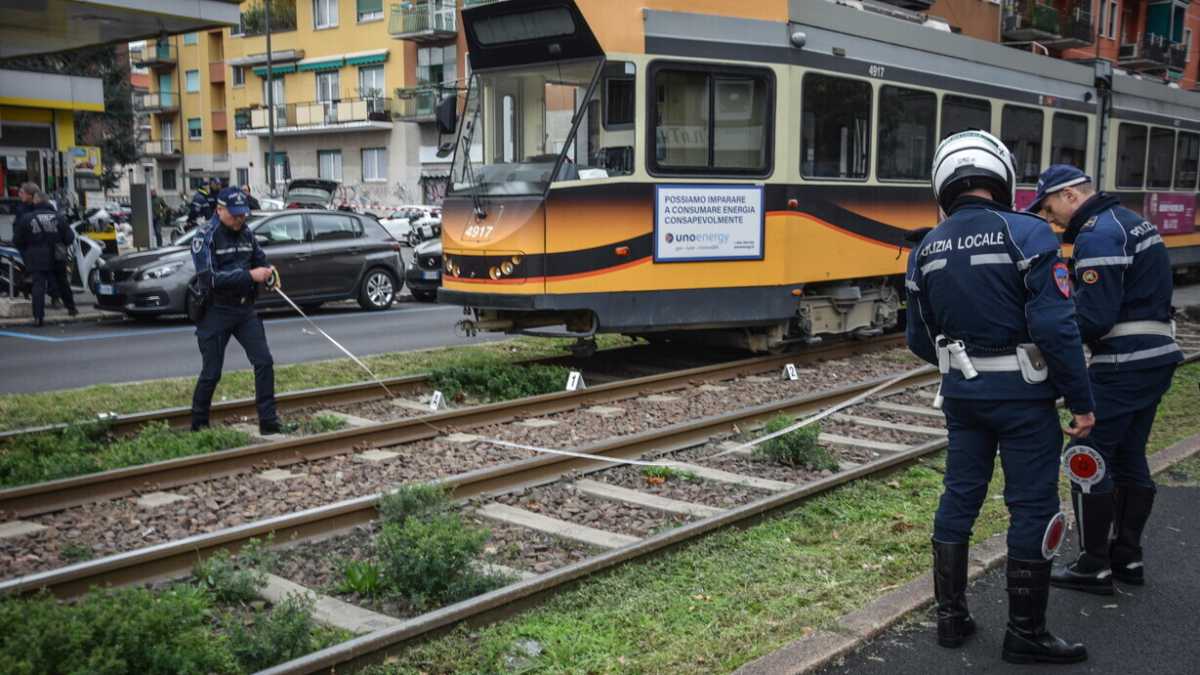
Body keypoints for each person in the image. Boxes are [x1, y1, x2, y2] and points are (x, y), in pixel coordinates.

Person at [907, 131, 1095, 665]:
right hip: (1024, 400)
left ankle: (950, 619)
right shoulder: (1028, 233)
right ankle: (1026, 632)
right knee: (1032, 505)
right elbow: (1057, 328)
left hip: (963, 398)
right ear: (1001, 177)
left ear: (944, 183)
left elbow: (919, 339)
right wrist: (1080, 402)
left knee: (958, 499)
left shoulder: (927, 247)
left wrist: (965, 367)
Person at [1030, 165, 1183, 595]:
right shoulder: (1133, 222)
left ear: (1070, 196)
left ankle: (1092, 564)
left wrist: (1049, 331)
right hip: (1155, 358)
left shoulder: (1096, 235)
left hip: (1122, 364)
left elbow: (1095, 317)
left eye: (1050, 207)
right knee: (1129, 455)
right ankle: (1126, 556)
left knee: (1086, 454)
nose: (1051, 218)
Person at [190, 187, 289, 435]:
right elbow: (209, 279)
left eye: (243, 214)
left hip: (244, 309)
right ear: (219, 210)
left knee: (264, 361)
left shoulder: (246, 233)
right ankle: (199, 427)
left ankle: (268, 422)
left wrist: (268, 274)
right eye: (235, 215)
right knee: (211, 373)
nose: (240, 219)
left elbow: (260, 261)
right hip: (215, 310)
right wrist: (249, 275)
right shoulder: (205, 237)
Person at [13, 183, 76, 325]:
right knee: (62, 282)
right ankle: (71, 308)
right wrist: (60, 244)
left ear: (35, 202)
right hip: (57, 255)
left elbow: (17, 240)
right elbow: (70, 238)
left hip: (36, 256)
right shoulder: (58, 217)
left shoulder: (27, 218)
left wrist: (27, 251)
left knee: (38, 286)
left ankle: (38, 317)